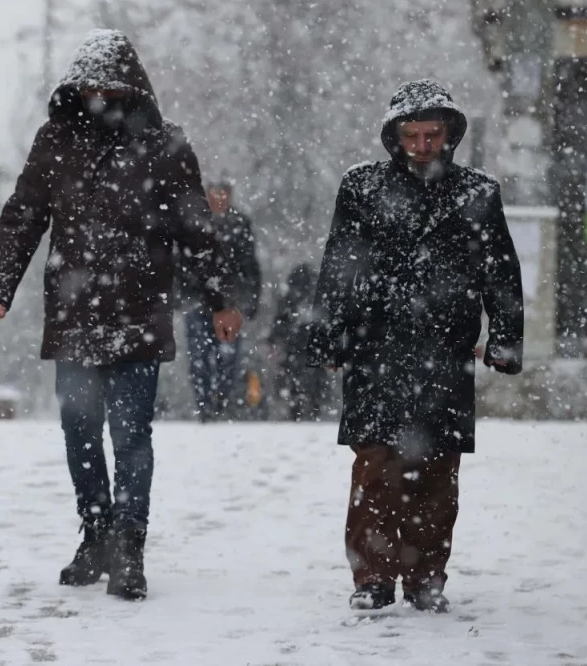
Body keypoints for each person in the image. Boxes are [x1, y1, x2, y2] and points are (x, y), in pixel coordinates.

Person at [0, 29, 243, 602]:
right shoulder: (55, 142)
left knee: (130, 436)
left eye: (111, 88)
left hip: (139, 313)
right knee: (79, 432)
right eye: (91, 87)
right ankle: (95, 530)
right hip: (75, 315)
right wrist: (0, 283)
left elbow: (195, 228)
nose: (101, 97)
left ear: (131, 88)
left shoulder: (165, 146)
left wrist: (222, 298)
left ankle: (129, 545)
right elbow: (24, 214)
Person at [307, 80, 523, 614]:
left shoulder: (477, 192)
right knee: (375, 466)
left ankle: (427, 577)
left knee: (436, 471)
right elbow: (339, 263)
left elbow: (500, 269)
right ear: (395, 136)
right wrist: (328, 332)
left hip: (445, 349)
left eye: (432, 134)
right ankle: (373, 577)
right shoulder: (360, 187)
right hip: (374, 345)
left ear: (449, 134)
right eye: (413, 134)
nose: (423, 144)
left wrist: (506, 337)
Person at [178, 181, 261, 422]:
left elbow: (249, 266)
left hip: (229, 304)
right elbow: (182, 264)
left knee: (227, 358)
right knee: (199, 358)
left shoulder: (238, 225)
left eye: (223, 195)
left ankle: (220, 402)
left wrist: (248, 300)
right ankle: (205, 406)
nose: (219, 200)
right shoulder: (194, 223)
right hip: (198, 302)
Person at [268, 263, 327, 422]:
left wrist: (274, 340)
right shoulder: (319, 296)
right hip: (314, 345)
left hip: (295, 345)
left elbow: (280, 321)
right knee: (315, 377)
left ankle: (297, 408)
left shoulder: (290, 298)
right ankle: (313, 407)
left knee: (295, 375)